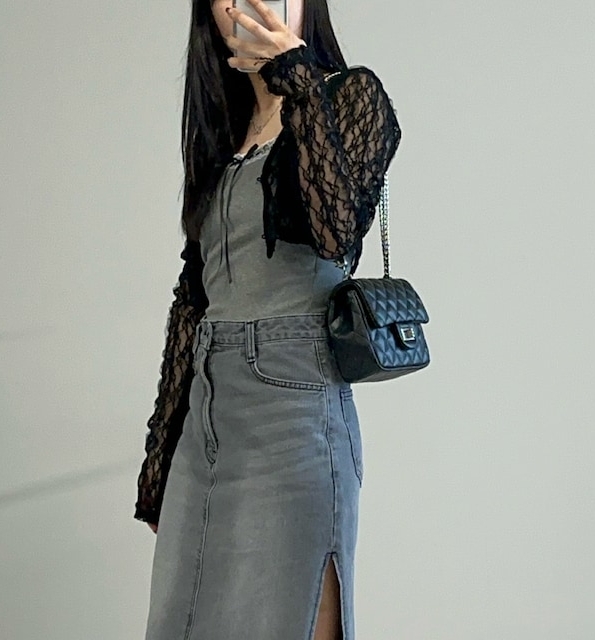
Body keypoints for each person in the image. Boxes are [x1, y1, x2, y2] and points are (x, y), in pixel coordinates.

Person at [134, 0, 402, 638]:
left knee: (290, 618)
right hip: (206, 414)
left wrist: (296, 75)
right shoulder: (225, 131)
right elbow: (194, 299)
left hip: (294, 409)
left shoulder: (351, 97)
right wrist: (162, 453)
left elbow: (336, 231)